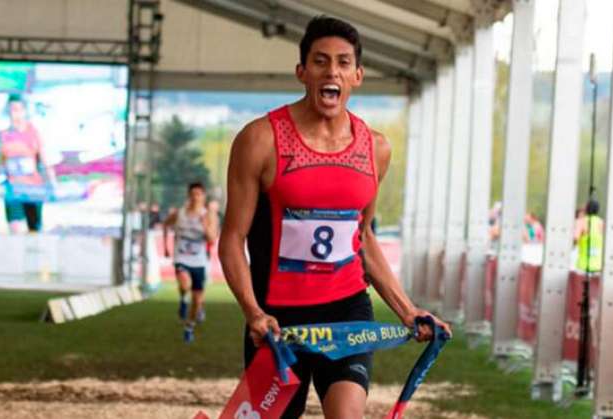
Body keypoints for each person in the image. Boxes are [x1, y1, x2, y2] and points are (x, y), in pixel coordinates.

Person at [218, 16, 451, 418]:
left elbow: (364, 238)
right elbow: (231, 240)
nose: (332, 71)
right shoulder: (259, 140)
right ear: (302, 72)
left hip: (347, 315)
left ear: (357, 75)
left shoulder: (376, 149)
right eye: (321, 61)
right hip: (278, 323)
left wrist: (407, 311)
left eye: (343, 63)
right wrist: (253, 312)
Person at [163, 182, 219, 343]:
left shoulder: (208, 215)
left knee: (198, 300)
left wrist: (204, 225)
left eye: (199, 194)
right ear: (188, 195)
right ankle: (183, 300)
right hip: (181, 257)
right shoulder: (180, 213)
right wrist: (167, 247)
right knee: (184, 284)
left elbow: (212, 239)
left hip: (199, 261)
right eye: (193, 194)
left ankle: (189, 327)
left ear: (203, 196)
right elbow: (166, 225)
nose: (195, 197)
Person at [0, 94, 56, 233]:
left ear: (24, 111)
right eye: (11, 110)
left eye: (17, 109)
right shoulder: (3, 136)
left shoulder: (34, 132)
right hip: (12, 189)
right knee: (14, 228)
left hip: (33, 188)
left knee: (34, 231)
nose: (14, 114)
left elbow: (44, 160)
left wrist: (52, 182)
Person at [574, 200, 604, 273]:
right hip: (598, 266)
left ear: (587, 209)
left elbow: (575, 238)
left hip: (583, 265)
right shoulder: (602, 223)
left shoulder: (581, 222)